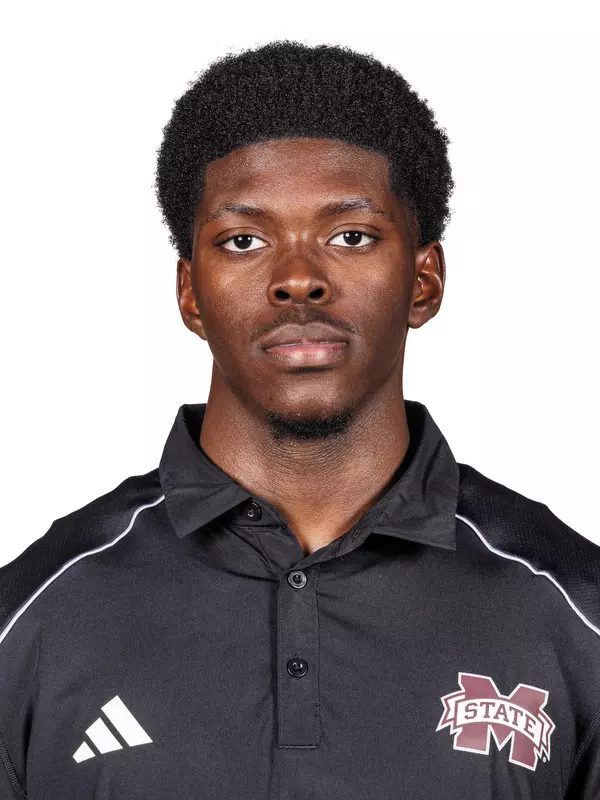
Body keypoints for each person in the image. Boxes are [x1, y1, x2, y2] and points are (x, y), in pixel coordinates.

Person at [0, 40, 598, 800]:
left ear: (424, 281)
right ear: (190, 293)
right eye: (244, 240)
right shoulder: (34, 618)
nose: (298, 280)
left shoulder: (574, 612)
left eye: (351, 236)